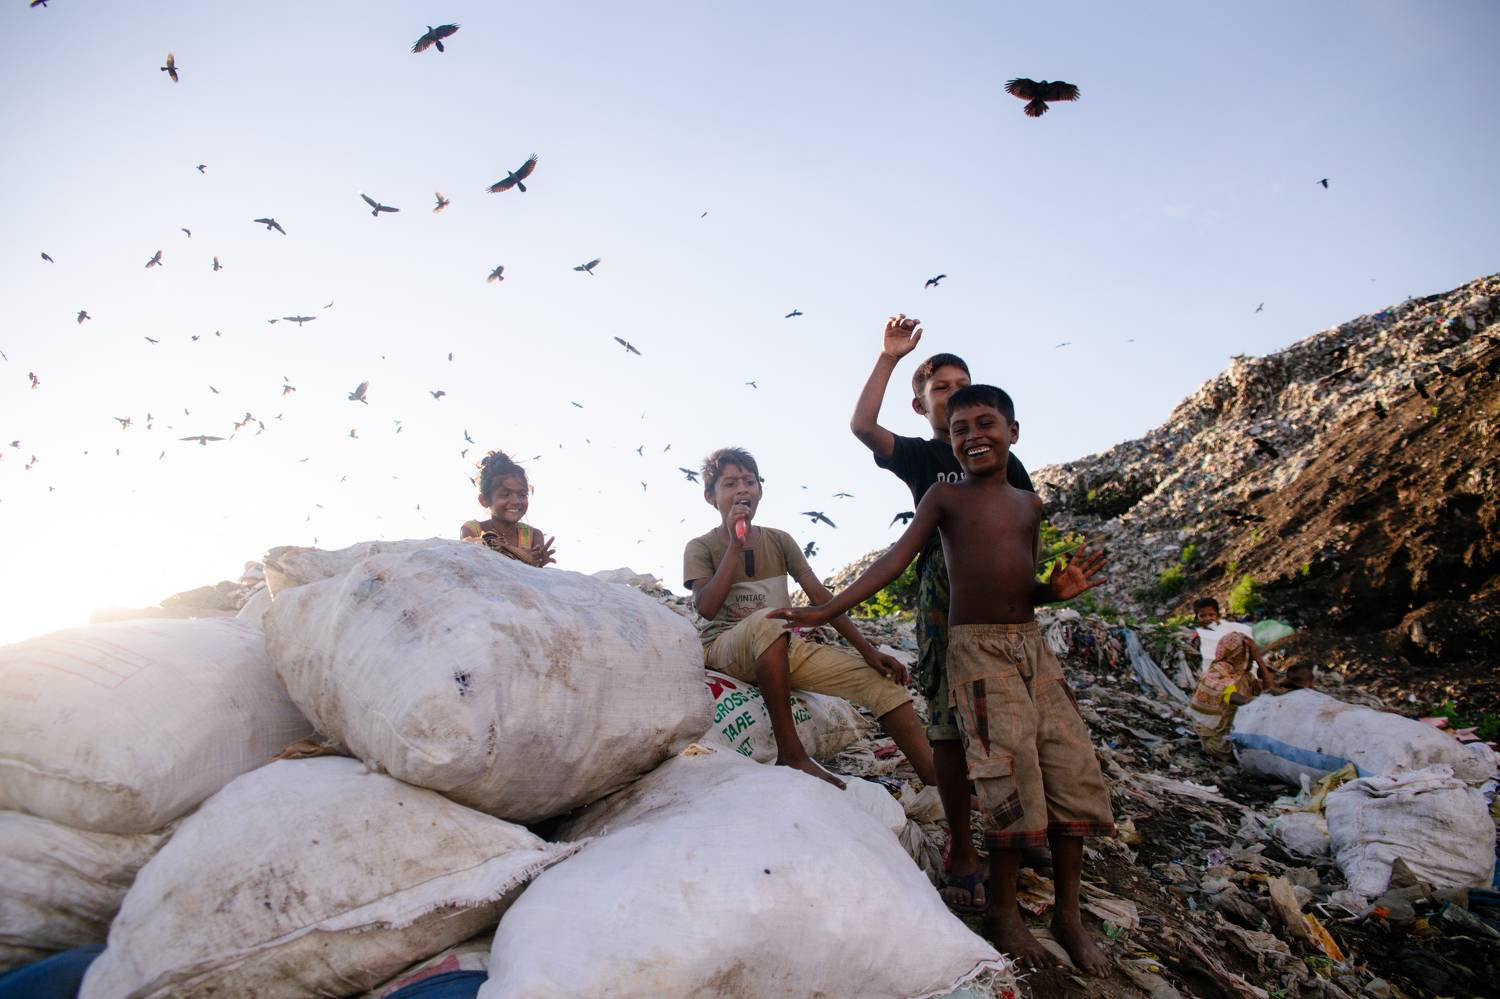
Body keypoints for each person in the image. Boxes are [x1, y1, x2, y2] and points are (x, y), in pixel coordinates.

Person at [773, 386, 1116, 975]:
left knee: (1069, 764)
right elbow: (896, 559)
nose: (973, 436)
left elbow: (1023, 584)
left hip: (1031, 646)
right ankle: (1003, 914)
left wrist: (1052, 592)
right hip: (976, 650)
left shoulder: (1029, 505)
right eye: (960, 429)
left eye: (986, 423)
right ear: (949, 441)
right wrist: (827, 610)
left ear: (1013, 432)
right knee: (1010, 769)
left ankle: (1068, 914)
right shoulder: (945, 497)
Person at [849, 313, 1038, 911]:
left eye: (964, 386)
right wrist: (889, 358)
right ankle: (963, 844)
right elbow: (862, 426)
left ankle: (1018, 831)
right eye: (941, 390)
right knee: (949, 727)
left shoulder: (1006, 463)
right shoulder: (923, 457)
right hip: (942, 601)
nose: (955, 396)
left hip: (1005, 607)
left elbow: (1026, 531)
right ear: (923, 407)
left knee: (1013, 724)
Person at [683, 447, 936, 790]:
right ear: (711, 497)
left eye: (749, 481)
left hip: (781, 645)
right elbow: (707, 607)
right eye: (730, 484)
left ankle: (937, 784)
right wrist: (735, 547)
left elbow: (822, 599)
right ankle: (792, 753)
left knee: (881, 683)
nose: (742, 489)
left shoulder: (780, 540)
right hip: (727, 648)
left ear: (760, 490)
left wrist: (868, 651)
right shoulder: (701, 547)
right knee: (769, 621)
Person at [1187, 630, 1281, 760]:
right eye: (1249, 654)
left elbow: (1270, 689)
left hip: (1233, 733)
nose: (1251, 659)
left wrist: (1260, 662)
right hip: (1218, 740)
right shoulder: (1218, 671)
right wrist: (1256, 704)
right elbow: (1229, 695)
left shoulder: (1244, 676)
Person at [459, 450, 556, 568]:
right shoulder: (472, 530)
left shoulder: (533, 536)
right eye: (505, 494)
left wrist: (540, 563)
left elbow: (533, 572)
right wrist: (519, 554)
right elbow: (473, 563)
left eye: (522, 494)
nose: (516, 501)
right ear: (484, 500)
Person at [1191, 596, 1253, 669]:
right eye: (1202, 616)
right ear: (1197, 618)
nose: (1207, 618)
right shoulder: (1198, 637)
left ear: (1218, 615)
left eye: (1211, 614)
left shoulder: (1229, 629)